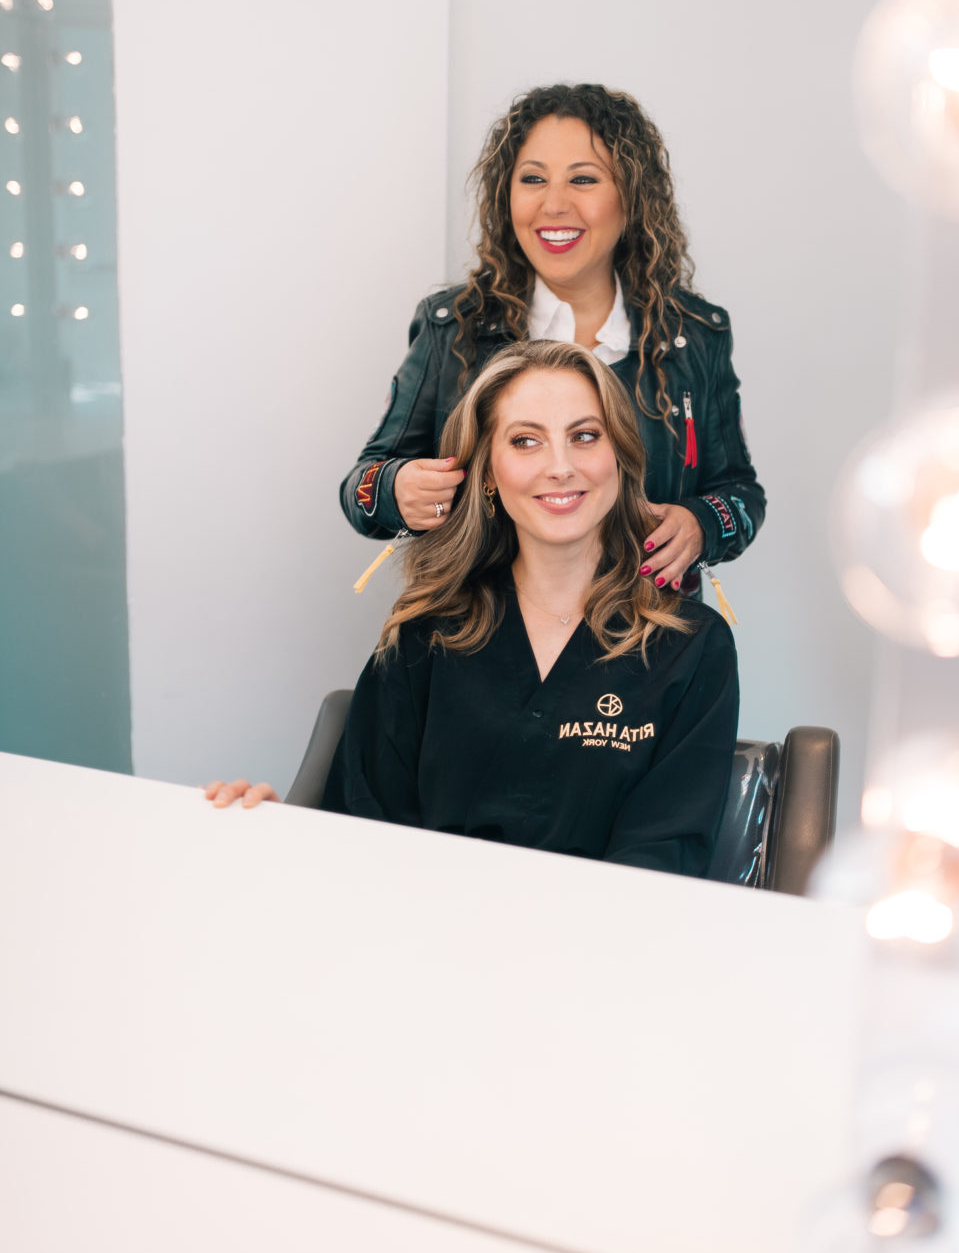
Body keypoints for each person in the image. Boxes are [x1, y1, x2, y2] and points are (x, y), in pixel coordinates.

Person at [209, 342, 739, 878]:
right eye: (525, 441)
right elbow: (359, 834)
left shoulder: (692, 647)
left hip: (596, 950)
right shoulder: (424, 632)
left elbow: (664, 858)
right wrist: (273, 832)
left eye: (584, 436)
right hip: (424, 940)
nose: (560, 467)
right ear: (487, 471)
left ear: (620, 457)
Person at [341, 82, 764, 597]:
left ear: (631, 199)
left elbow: (741, 493)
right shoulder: (453, 326)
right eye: (533, 179)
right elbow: (363, 486)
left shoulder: (693, 336)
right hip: (481, 637)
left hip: (649, 644)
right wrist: (396, 489)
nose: (554, 204)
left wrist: (703, 524)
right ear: (507, 196)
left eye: (583, 179)